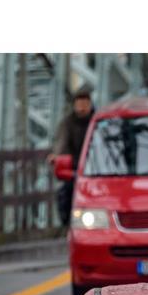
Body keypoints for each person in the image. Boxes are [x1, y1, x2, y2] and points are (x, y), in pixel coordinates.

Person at [51, 87, 95, 226]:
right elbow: (61, 141)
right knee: (66, 192)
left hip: (97, 166)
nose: (82, 107)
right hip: (75, 166)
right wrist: (57, 156)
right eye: (79, 103)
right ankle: (67, 225)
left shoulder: (97, 121)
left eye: (85, 103)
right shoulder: (68, 122)